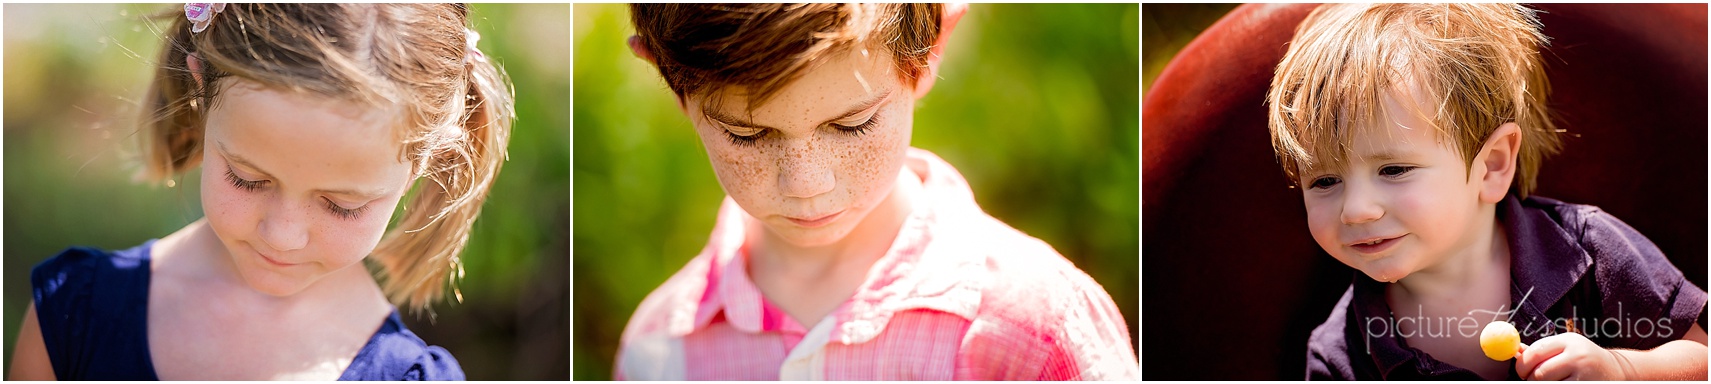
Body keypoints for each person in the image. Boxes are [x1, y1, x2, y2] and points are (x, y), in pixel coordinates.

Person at [613, 4, 1137, 380]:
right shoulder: (658, 353)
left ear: (929, 52)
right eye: (747, 135)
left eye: (853, 124)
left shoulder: (1035, 335)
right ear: (671, 82)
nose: (807, 184)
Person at [8, 3, 512, 380]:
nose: (283, 235)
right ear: (201, 93)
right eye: (247, 179)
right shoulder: (75, 314)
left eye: (342, 205)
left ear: (421, 162)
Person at [1266, 3, 1709, 380]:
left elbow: (1701, 362)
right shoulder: (1341, 352)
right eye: (1324, 181)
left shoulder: (1589, 251)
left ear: (1493, 164)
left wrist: (1623, 370)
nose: (1356, 210)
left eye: (1394, 169)